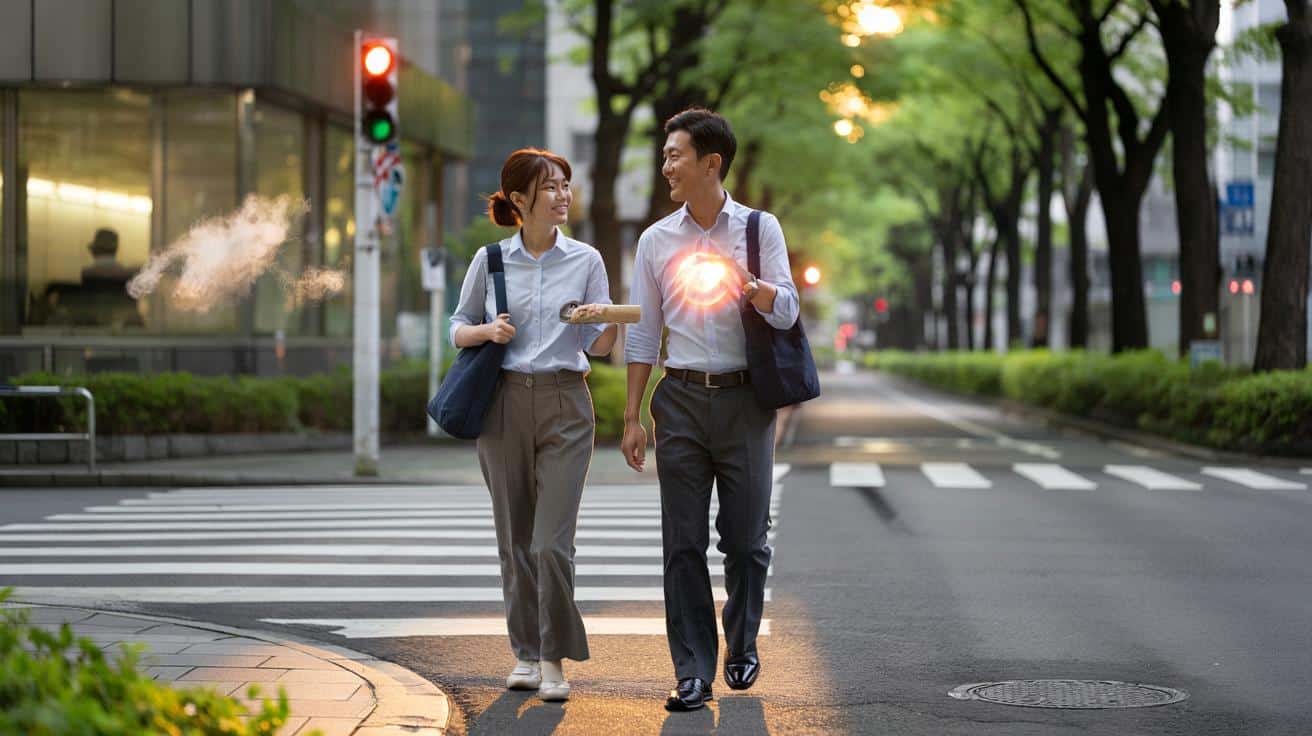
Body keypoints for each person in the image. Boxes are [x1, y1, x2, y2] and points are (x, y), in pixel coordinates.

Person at [621, 108, 800, 711]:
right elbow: (644, 334)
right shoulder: (655, 240)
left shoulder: (758, 229)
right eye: (665, 156)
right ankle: (692, 670)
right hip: (679, 400)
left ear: (710, 163)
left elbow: (787, 310)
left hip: (746, 400)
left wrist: (748, 283)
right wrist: (632, 415)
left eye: (675, 156)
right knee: (682, 542)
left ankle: (741, 643)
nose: (666, 167)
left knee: (746, 541)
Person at [449, 148, 618, 702]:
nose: (563, 195)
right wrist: (487, 332)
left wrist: (605, 321)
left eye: (566, 184)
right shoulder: (491, 260)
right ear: (520, 199)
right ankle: (525, 653)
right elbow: (457, 327)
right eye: (551, 186)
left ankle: (553, 658)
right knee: (514, 540)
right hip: (502, 405)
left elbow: (603, 346)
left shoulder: (586, 260)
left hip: (567, 403)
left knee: (550, 544)